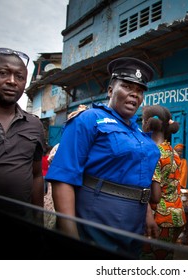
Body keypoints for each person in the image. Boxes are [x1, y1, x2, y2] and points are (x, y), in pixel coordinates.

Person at [45, 57, 160, 256]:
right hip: (97, 221)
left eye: (139, 90)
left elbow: (137, 175)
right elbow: (63, 178)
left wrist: (147, 213)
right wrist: (70, 235)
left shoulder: (138, 132)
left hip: (134, 224)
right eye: (126, 86)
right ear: (110, 91)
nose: (134, 94)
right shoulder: (90, 119)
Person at [0, 48, 45, 207]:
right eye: (3, 73)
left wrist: (38, 220)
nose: (12, 81)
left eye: (19, 77)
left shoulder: (34, 124)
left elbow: (36, 175)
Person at [141, 105, 186, 259]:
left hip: (159, 219)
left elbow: (155, 196)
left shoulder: (153, 153)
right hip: (177, 215)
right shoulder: (173, 152)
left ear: (147, 124)